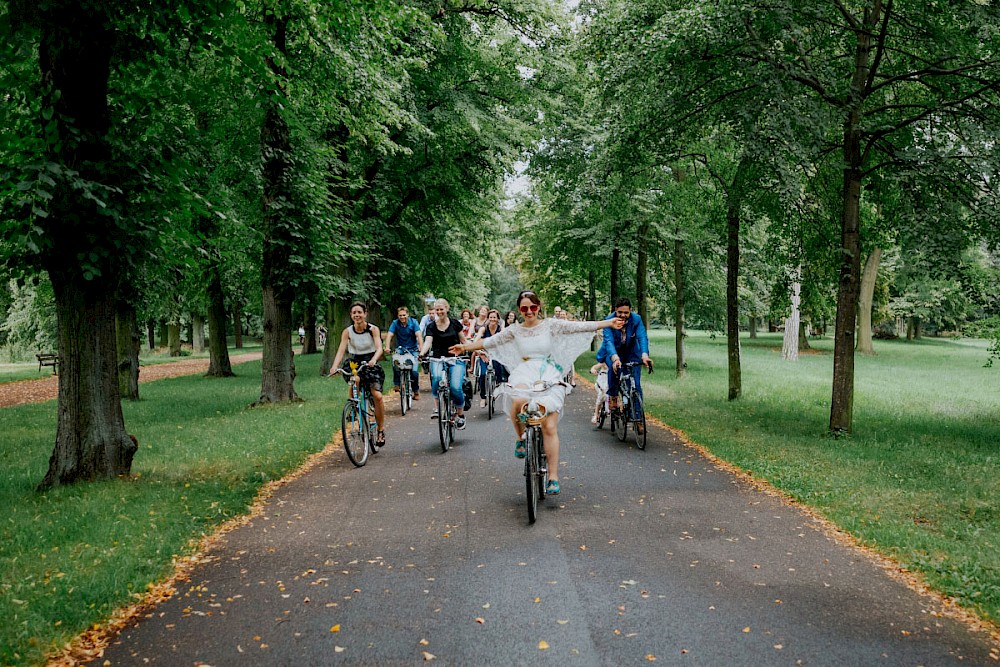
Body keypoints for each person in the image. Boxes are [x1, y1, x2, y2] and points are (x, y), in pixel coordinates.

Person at [451, 290, 624, 495]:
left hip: (549, 373)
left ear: (538, 307)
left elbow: (578, 327)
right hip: (524, 372)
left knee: (549, 426)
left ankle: (553, 476)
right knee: (518, 399)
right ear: (519, 310)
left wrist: (608, 323)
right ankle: (520, 439)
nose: (529, 312)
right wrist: (465, 347)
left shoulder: (550, 325)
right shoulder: (515, 330)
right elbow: (490, 342)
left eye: (532, 307)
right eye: (524, 308)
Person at [330, 302, 387, 447]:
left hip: (370, 362)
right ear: (351, 315)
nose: (357, 315)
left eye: (359, 312)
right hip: (355, 361)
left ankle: (380, 430)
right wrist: (334, 367)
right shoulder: (347, 332)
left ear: (365, 313)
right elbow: (341, 350)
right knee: (354, 379)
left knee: (377, 396)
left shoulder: (373, 329)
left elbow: (379, 347)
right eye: (354, 313)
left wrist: (374, 359)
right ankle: (353, 406)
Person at [600, 298, 654, 429]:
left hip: (631, 353)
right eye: (620, 312)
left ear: (630, 311)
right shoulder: (609, 320)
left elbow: (642, 337)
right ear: (615, 310)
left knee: (636, 384)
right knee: (614, 369)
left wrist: (645, 355)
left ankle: (638, 418)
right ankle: (613, 395)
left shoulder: (637, 319)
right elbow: (609, 341)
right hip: (613, 352)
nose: (623, 315)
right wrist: (615, 358)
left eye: (626, 312)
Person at [420, 298, 469, 429]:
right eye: (437, 310)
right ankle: (437, 407)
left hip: (455, 359)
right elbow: (428, 342)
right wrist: (422, 353)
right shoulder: (431, 326)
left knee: (455, 387)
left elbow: (463, 341)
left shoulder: (455, 324)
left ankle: (460, 414)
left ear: (447, 309)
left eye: (442, 309)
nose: (440, 312)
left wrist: (475, 350)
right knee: (435, 377)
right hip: (438, 358)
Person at [471, 309, 509, 407]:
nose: (492, 319)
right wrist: (478, 351)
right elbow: (476, 340)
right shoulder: (483, 329)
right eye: (491, 317)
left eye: (494, 317)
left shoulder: (500, 329)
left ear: (497, 319)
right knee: (483, 374)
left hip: (496, 354)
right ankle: (483, 397)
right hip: (485, 355)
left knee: (499, 369)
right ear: (488, 318)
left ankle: (498, 385)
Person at [385, 305, 423, 400]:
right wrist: (387, 347)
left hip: (413, 350)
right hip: (401, 349)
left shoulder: (413, 322)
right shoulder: (395, 323)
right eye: (400, 315)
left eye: (404, 315)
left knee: (414, 371)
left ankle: (416, 391)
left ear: (408, 315)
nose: (402, 317)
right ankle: (397, 384)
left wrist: (421, 348)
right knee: (395, 362)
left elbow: (418, 335)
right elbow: (389, 335)